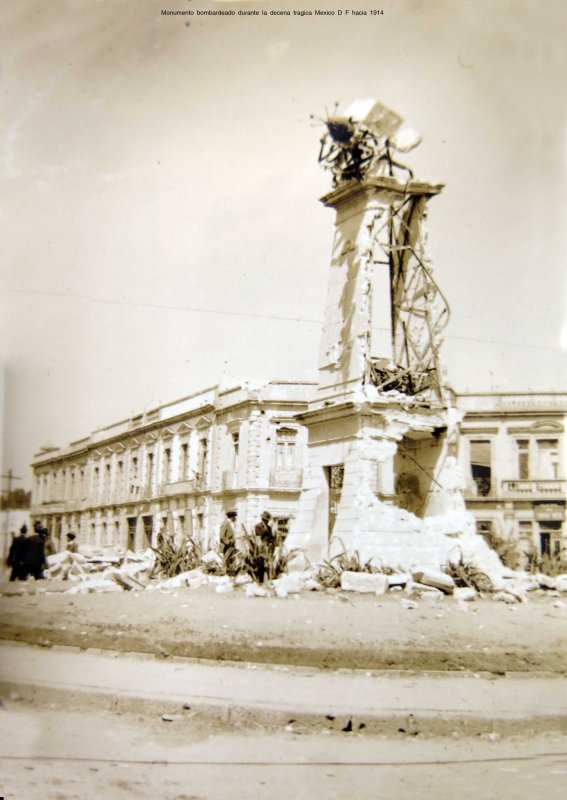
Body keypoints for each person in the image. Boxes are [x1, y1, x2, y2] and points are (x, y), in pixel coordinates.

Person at [254, 510, 275, 583]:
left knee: (269, 564)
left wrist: (272, 542)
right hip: (261, 546)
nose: (267, 522)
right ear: (262, 519)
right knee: (261, 564)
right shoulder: (258, 526)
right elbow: (258, 537)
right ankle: (261, 580)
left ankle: (269, 579)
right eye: (266, 520)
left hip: (268, 547)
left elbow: (271, 537)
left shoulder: (269, 527)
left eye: (268, 520)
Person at [219, 510, 238, 574]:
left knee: (232, 560)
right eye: (235, 517)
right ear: (232, 517)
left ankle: (231, 573)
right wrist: (228, 542)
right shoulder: (225, 523)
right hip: (226, 547)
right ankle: (227, 574)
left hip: (231, 546)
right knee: (227, 561)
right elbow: (222, 536)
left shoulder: (231, 523)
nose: (235, 518)